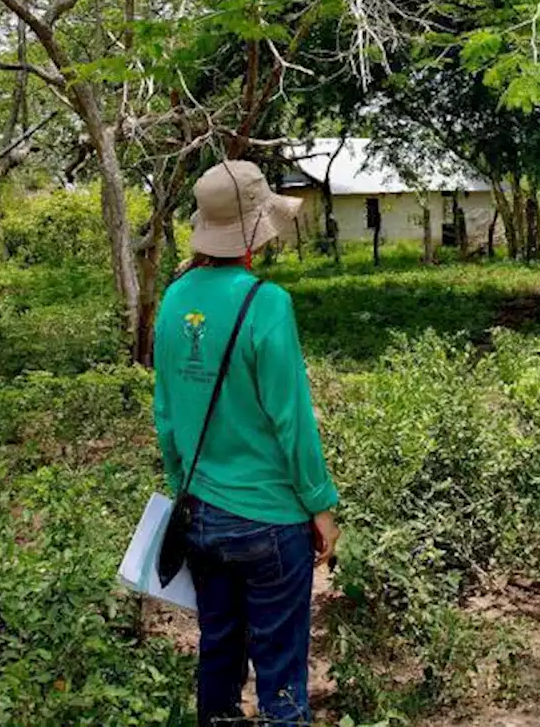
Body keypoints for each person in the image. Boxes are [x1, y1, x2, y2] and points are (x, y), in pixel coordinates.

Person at [153, 159, 340, 726]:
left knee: (218, 652)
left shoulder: (173, 298)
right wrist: (321, 505)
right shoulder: (267, 304)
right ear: (255, 231)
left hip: (201, 516)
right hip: (270, 523)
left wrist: (180, 485)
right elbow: (293, 420)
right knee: (281, 671)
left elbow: (165, 415)